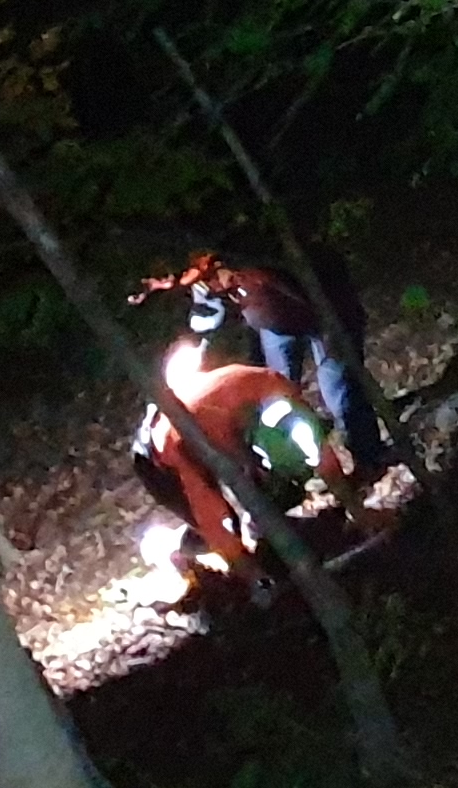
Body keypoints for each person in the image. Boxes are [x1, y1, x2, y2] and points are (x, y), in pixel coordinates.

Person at [127, 293, 335, 607]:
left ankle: (265, 534)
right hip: (158, 457)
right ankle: (167, 546)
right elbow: (214, 521)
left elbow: (320, 451)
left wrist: (360, 511)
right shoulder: (186, 443)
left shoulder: (272, 386)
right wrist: (255, 580)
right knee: (226, 526)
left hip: (219, 424)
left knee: (277, 493)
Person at [133, 247, 390, 489]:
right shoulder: (202, 282)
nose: (169, 284)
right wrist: (191, 353)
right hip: (275, 324)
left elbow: (302, 286)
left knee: (337, 388)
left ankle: (369, 458)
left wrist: (334, 328)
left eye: (162, 279)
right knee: (275, 398)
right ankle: (298, 469)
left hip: (322, 314)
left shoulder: (244, 259)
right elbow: (207, 318)